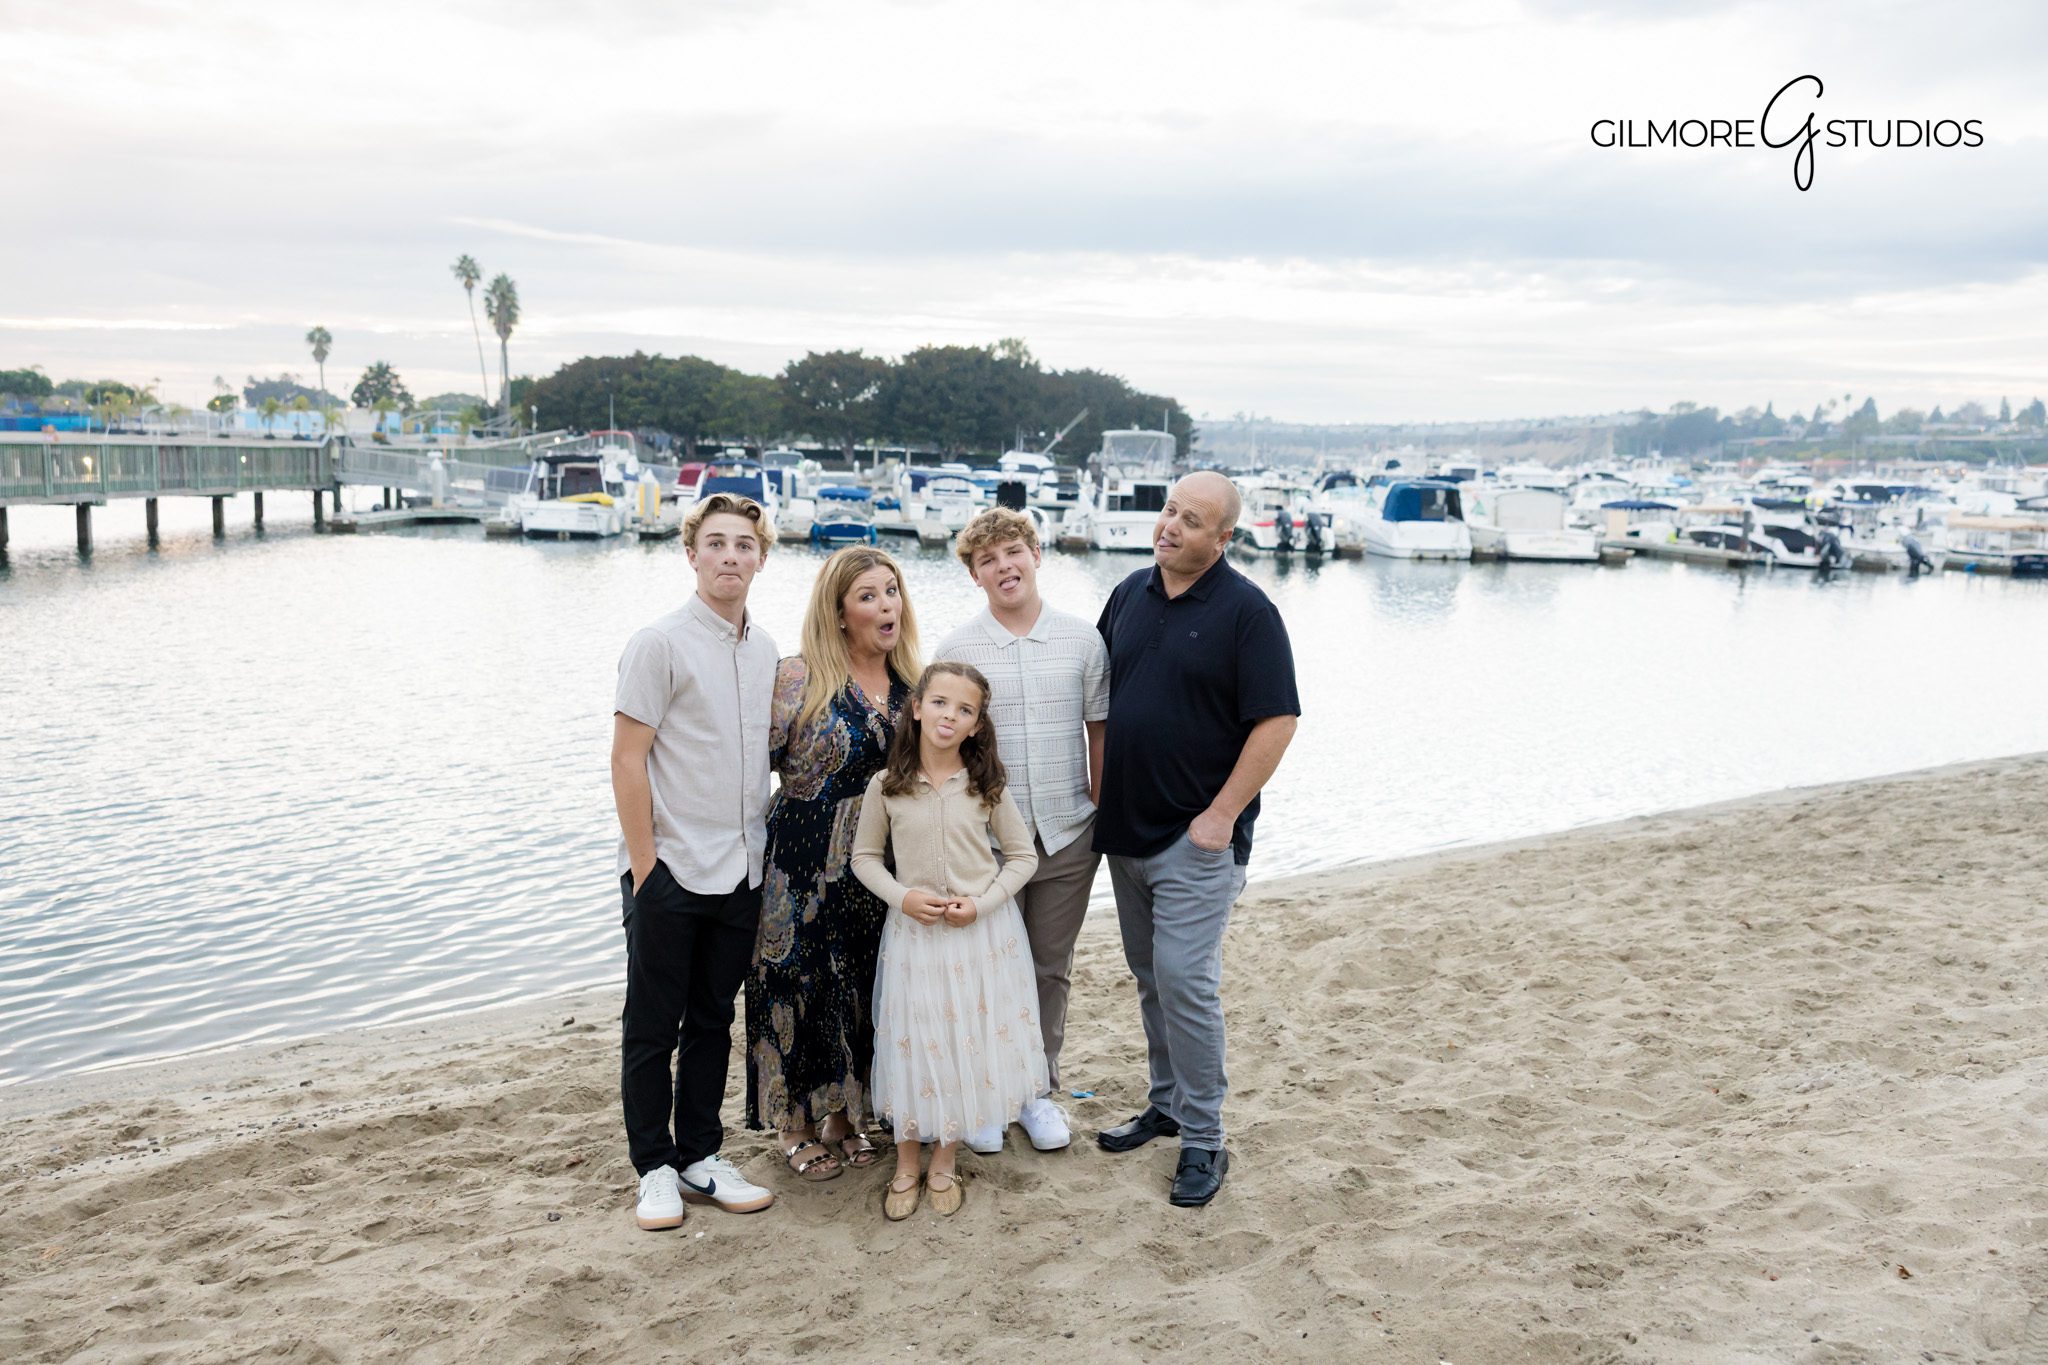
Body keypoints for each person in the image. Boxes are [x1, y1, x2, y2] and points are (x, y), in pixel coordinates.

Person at [1092, 471, 1300, 1208]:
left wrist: (1221, 814)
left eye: (1192, 519)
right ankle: (1167, 1103)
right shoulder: (1127, 595)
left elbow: (1276, 722)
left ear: (1223, 538)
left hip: (1199, 840)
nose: (1171, 526)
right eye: (1169, 511)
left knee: (1185, 979)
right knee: (1150, 973)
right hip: (1126, 830)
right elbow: (1101, 705)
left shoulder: (1249, 613)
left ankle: (1205, 1137)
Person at [610, 492, 781, 1232]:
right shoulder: (660, 642)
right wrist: (647, 869)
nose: (730, 556)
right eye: (716, 543)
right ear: (691, 553)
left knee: (714, 1018)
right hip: (671, 867)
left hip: (742, 866)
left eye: (744, 544)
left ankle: (699, 1153)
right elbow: (626, 759)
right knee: (652, 1024)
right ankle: (653, 1166)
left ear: (760, 557)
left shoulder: (768, 646)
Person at [745, 545, 921, 1182]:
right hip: (798, 860)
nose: (885, 606)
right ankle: (794, 1125)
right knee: (794, 983)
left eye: (891, 591)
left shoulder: (912, 686)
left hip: (877, 862)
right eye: (869, 596)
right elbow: (745, 767)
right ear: (841, 612)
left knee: (860, 987)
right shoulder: (797, 678)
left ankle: (844, 1118)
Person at [935, 507, 1107, 1153]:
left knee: (1048, 968)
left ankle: (1035, 1091)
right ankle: (984, 1093)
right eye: (988, 559)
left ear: (1036, 554)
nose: (1004, 566)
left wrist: (1103, 806)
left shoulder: (1083, 640)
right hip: (986, 843)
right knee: (985, 967)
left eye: (1013, 551)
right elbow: (944, 740)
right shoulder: (958, 648)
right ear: (975, 574)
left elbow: (1099, 731)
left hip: (1067, 830)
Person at [850, 661, 1044, 1219]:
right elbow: (864, 858)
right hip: (914, 937)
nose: (949, 716)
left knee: (961, 1045)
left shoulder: (986, 785)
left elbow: (1022, 856)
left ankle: (943, 1162)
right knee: (915, 1041)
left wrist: (981, 903)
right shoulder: (886, 785)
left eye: (964, 709)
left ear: (977, 725)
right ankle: (906, 1163)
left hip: (976, 937)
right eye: (939, 703)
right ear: (916, 707)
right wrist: (902, 897)